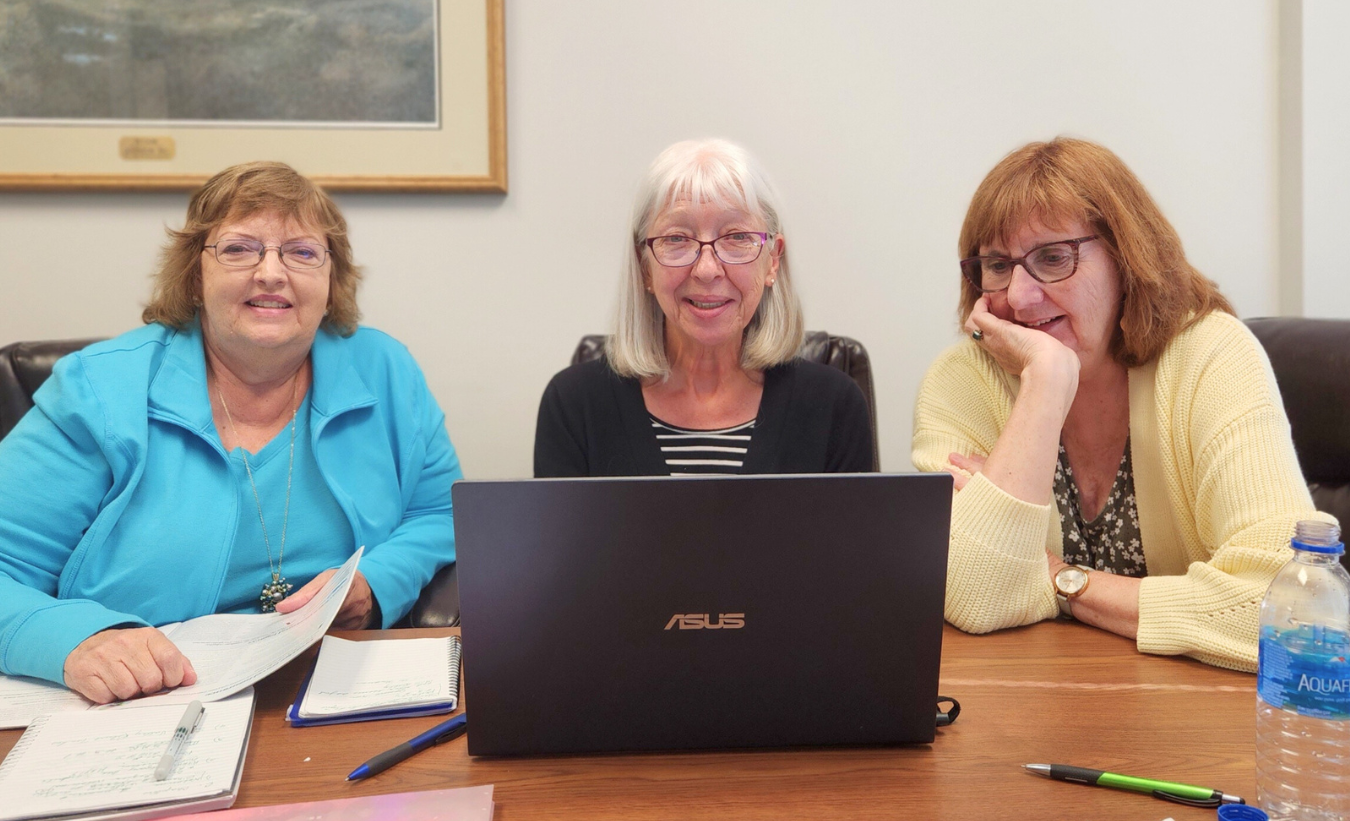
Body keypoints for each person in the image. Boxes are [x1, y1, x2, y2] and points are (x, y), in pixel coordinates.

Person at [0, 162, 462, 702]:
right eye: (240, 249)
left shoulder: (384, 369)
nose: (272, 272)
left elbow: (440, 512)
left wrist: (376, 584)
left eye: (302, 252)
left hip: (328, 686)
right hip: (146, 700)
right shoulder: (100, 390)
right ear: (195, 275)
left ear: (330, 278)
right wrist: (76, 641)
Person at [912, 138, 1328, 671]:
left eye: (1053, 257)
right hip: (1023, 708)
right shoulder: (962, 381)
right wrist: (1046, 381)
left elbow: (1291, 612)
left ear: (1126, 256)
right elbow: (972, 598)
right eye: (997, 265)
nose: (1018, 297)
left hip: (1192, 723)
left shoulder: (1211, 357)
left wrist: (1062, 581)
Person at [535, 139, 873, 477]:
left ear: (773, 260)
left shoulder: (834, 407)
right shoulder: (573, 406)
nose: (707, 270)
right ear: (644, 267)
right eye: (677, 239)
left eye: (737, 236)